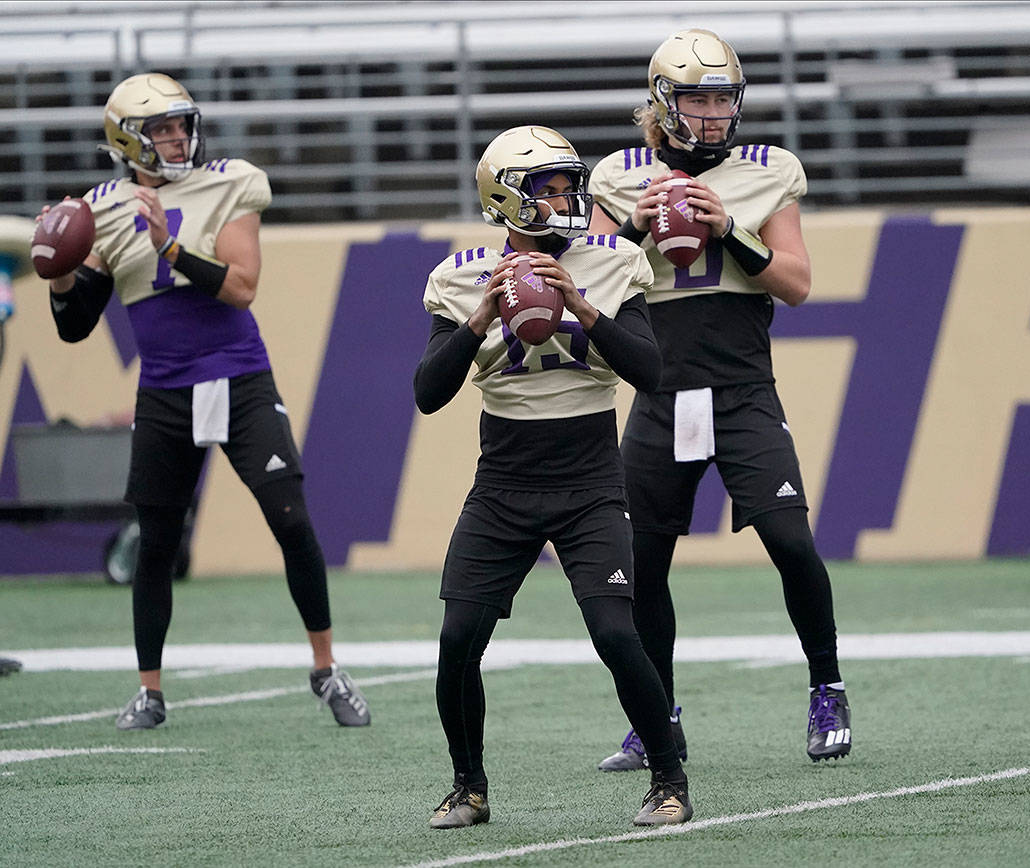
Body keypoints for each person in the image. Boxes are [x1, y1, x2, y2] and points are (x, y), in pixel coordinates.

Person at [38, 73, 369, 730]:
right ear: (128, 142)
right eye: (161, 129)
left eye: (181, 124)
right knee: (155, 539)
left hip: (239, 377)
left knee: (291, 518)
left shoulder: (231, 181)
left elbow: (242, 286)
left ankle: (327, 669)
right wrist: (62, 270)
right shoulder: (104, 207)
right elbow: (76, 324)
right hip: (165, 389)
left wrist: (167, 246)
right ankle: (150, 690)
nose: (177, 137)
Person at [414, 125, 692, 828]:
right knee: (456, 639)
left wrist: (582, 307)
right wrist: (480, 317)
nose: (566, 199)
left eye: (570, 186)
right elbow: (427, 391)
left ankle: (669, 779)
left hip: (591, 478)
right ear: (505, 199)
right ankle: (468, 786)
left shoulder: (613, 262)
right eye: (549, 189)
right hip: (503, 482)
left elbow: (651, 373)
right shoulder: (459, 276)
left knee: (614, 631)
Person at [587, 29, 851, 767]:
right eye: (697, 98)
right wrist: (641, 223)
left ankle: (826, 685)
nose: (711, 113)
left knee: (792, 542)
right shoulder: (618, 175)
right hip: (659, 392)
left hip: (740, 389)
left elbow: (796, 284)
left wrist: (726, 226)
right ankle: (654, 717)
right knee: (642, 562)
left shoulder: (769, 170)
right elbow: (596, 289)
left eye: (721, 98)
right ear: (663, 104)